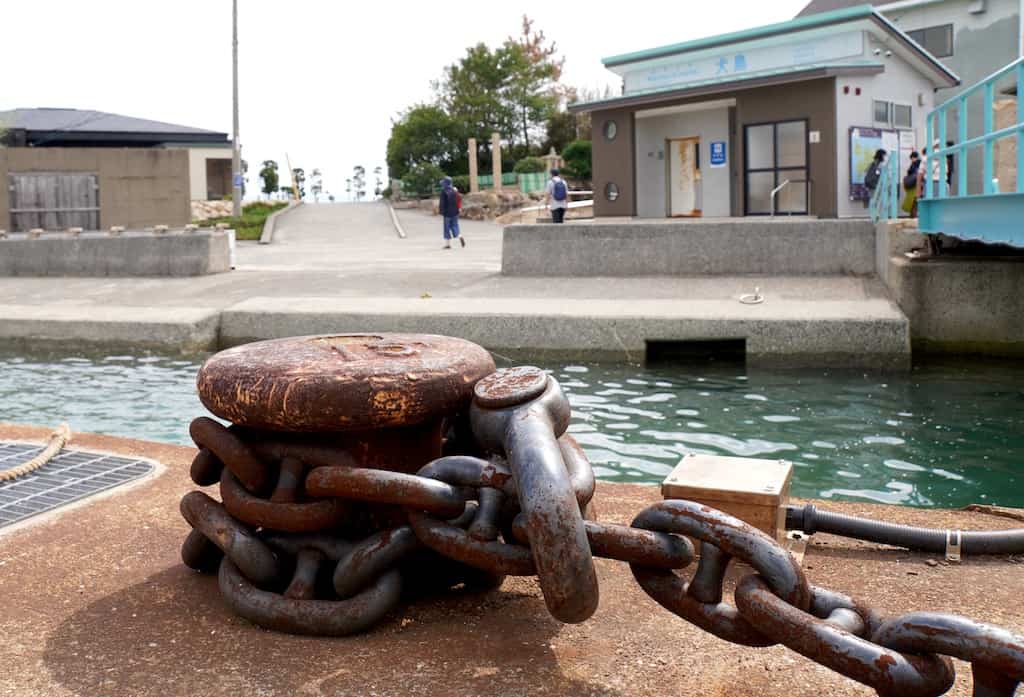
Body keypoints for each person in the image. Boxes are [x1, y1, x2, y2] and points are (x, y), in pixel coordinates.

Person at [438, 176, 465, 249]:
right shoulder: (455, 191)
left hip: (447, 213)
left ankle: (448, 244)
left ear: (445, 184)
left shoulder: (444, 191)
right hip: (455, 212)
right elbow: (459, 200)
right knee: (455, 226)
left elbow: (442, 203)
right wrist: (458, 208)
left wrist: (441, 211)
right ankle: (459, 236)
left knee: (447, 228)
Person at [901, 151, 921, 218]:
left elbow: (911, 173)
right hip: (916, 185)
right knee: (914, 203)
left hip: (914, 186)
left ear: (913, 157)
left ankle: (913, 217)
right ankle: (913, 217)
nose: (911, 160)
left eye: (912, 158)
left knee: (913, 203)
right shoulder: (918, 163)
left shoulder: (915, 164)